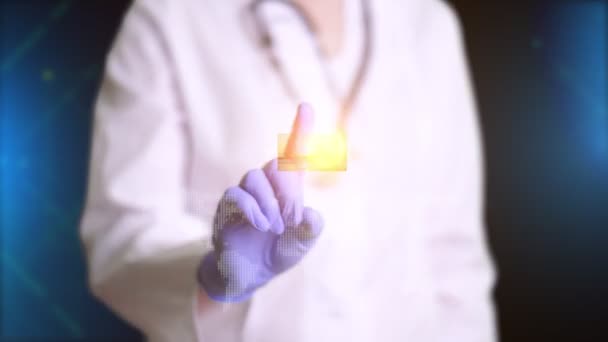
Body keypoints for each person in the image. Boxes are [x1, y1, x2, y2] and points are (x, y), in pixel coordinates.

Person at [80, 0, 498, 341]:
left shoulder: (428, 24)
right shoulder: (169, 21)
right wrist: (216, 273)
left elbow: (455, 260)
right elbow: (122, 239)